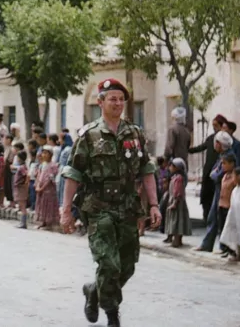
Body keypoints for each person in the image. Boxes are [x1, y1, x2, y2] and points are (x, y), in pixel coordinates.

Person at [61, 78, 160, 327]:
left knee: (127, 266)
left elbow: (146, 170)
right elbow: (73, 173)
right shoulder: (89, 135)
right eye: (112, 98)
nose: (117, 103)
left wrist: (154, 204)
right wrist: (66, 211)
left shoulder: (134, 134)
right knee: (108, 263)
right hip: (98, 208)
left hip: (127, 207)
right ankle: (112, 313)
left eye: (121, 99)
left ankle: (94, 291)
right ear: (101, 102)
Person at [190, 114, 228, 221]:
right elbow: (201, 147)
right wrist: (188, 150)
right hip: (208, 172)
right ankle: (206, 217)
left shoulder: (225, 140)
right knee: (206, 196)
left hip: (218, 173)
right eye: (213, 125)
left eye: (216, 125)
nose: (214, 128)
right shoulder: (211, 138)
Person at [164, 157, 191, 248]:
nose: (169, 168)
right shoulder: (175, 177)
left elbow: (177, 192)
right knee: (177, 221)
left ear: (176, 167)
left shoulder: (178, 179)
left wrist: (174, 203)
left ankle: (176, 241)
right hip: (176, 201)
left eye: (171, 166)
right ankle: (177, 240)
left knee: (176, 222)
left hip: (177, 202)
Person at [13, 151, 29, 228]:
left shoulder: (22, 167)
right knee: (21, 205)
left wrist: (25, 184)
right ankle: (22, 222)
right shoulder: (22, 166)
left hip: (21, 189)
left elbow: (26, 175)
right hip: (19, 188)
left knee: (22, 206)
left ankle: (23, 223)